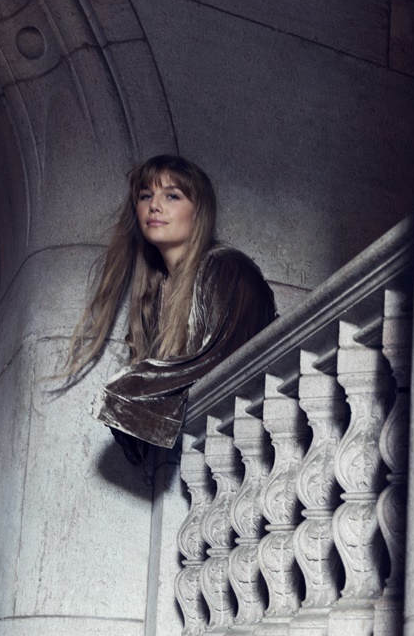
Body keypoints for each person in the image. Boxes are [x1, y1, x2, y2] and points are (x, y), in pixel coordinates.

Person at [63, 154, 276, 465]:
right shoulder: (156, 292)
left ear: (198, 211)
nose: (154, 206)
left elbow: (225, 363)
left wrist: (130, 387)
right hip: (193, 457)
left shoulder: (226, 268)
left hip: (240, 447)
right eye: (145, 195)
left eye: (172, 196)